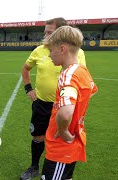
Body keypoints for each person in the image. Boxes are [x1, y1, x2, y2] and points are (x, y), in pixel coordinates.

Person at [20, 17, 86, 180]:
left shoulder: (73, 62)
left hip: (62, 107)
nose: (46, 37)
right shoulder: (39, 50)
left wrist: (70, 112)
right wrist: (29, 89)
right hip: (41, 103)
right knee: (39, 136)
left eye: (50, 33)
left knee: (59, 143)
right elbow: (26, 69)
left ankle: (56, 166)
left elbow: (79, 86)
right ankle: (35, 166)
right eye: (45, 32)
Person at [41, 26, 98, 179]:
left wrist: (64, 129)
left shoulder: (67, 76)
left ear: (62, 49)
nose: (49, 55)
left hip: (61, 146)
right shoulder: (82, 70)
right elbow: (91, 91)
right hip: (74, 141)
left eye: (51, 50)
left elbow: (65, 113)